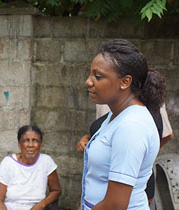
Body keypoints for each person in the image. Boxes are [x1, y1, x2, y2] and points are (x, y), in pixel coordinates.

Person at [80, 39, 166, 210]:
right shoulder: (116, 115)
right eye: (90, 74)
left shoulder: (131, 127)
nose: (88, 82)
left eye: (98, 76)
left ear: (125, 82)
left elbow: (115, 205)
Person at [0, 125, 61, 210]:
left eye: (35, 141)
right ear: (19, 145)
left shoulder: (46, 162)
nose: (31, 145)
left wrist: (42, 205)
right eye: (26, 141)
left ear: (41, 145)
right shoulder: (8, 163)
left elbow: (56, 190)